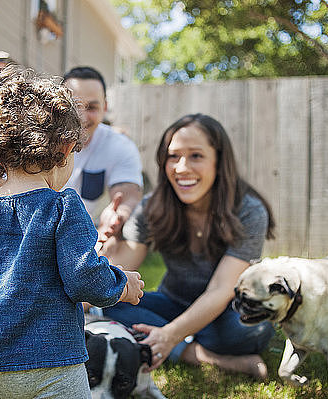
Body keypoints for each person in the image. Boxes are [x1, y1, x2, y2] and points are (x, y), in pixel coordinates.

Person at [0, 65, 145, 399]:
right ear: (65, 149)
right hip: (49, 368)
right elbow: (85, 279)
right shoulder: (62, 206)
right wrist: (122, 285)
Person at [98, 114, 276, 379]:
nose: (181, 168)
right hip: (173, 303)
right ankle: (202, 356)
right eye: (173, 156)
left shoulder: (249, 211)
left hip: (225, 310)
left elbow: (220, 290)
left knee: (251, 330)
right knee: (110, 303)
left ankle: (174, 340)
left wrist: (170, 334)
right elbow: (118, 271)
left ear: (219, 160)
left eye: (196, 156)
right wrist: (106, 245)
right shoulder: (151, 207)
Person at [0, 66, 143, 241]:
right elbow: (4, 189)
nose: (81, 116)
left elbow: (128, 192)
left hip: (93, 232)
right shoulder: (41, 138)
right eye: (75, 105)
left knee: (121, 237)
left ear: (106, 107)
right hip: (37, 230)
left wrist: (117, 216)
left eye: (91, 107)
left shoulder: (119, 146)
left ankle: (104, 294)